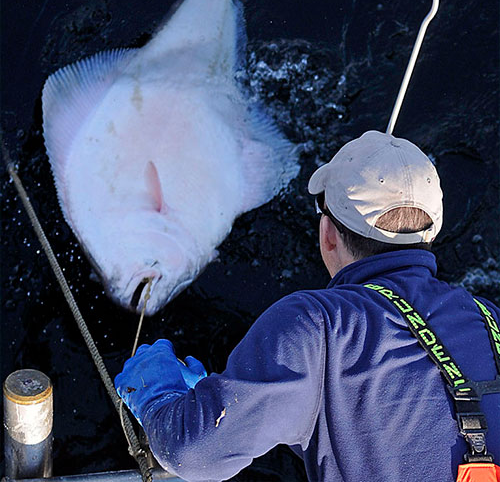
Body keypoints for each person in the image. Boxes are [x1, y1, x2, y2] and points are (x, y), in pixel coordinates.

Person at [115, 130, 500, 482]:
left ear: (328, 235)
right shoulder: (490, 319)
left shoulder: (317, 325)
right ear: (431, 233)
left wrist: (157, 394)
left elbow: (192, 452)